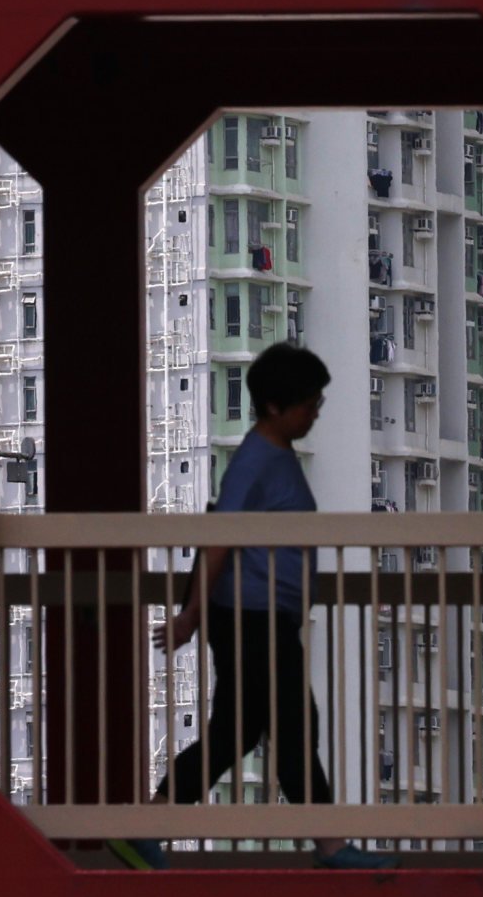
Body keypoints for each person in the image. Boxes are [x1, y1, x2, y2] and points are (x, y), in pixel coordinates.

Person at [116, 343, 376, 868]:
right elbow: (219, 536)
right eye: (308, 404)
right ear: (275, 407)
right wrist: (192, 613)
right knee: (296, 725)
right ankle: (330, 845)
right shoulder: (256, 460)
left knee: (235, 732)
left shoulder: (274, 458)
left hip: (261, 618)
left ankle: (147, 824)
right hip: (251, 619)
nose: (316, 411)